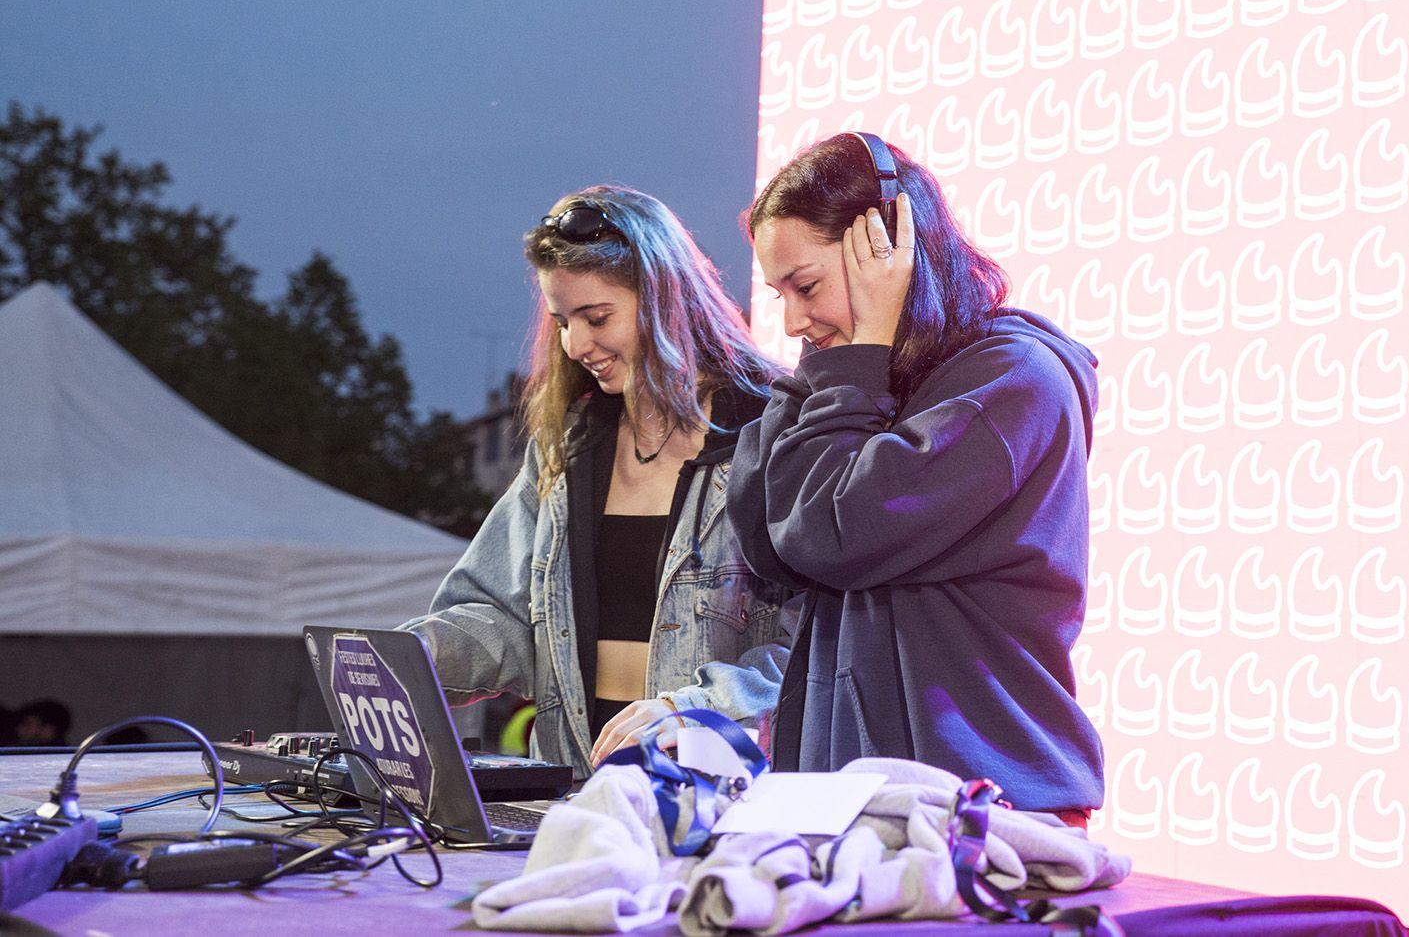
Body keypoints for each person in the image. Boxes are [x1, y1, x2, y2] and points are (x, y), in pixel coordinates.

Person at [728, 132, 1105, 821]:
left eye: (805, 287)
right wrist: (833, 360)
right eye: (779, 294)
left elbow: (835, 534)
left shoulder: (1013, 379)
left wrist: (853, 359)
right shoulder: (869, 383)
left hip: (984, 809)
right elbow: (762, 535)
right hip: (858, 801)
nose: (790, 320)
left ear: (889, 246)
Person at [405, 185, 789, 777]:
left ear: (666, 298)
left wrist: (692, 710)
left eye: (597, 317)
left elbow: (816, 649)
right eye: (562, 321)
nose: (575, 344)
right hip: (575, 789)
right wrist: (419, 655)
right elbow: (504, 618)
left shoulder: (773, 433)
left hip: (718, 800)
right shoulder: (566, 447)